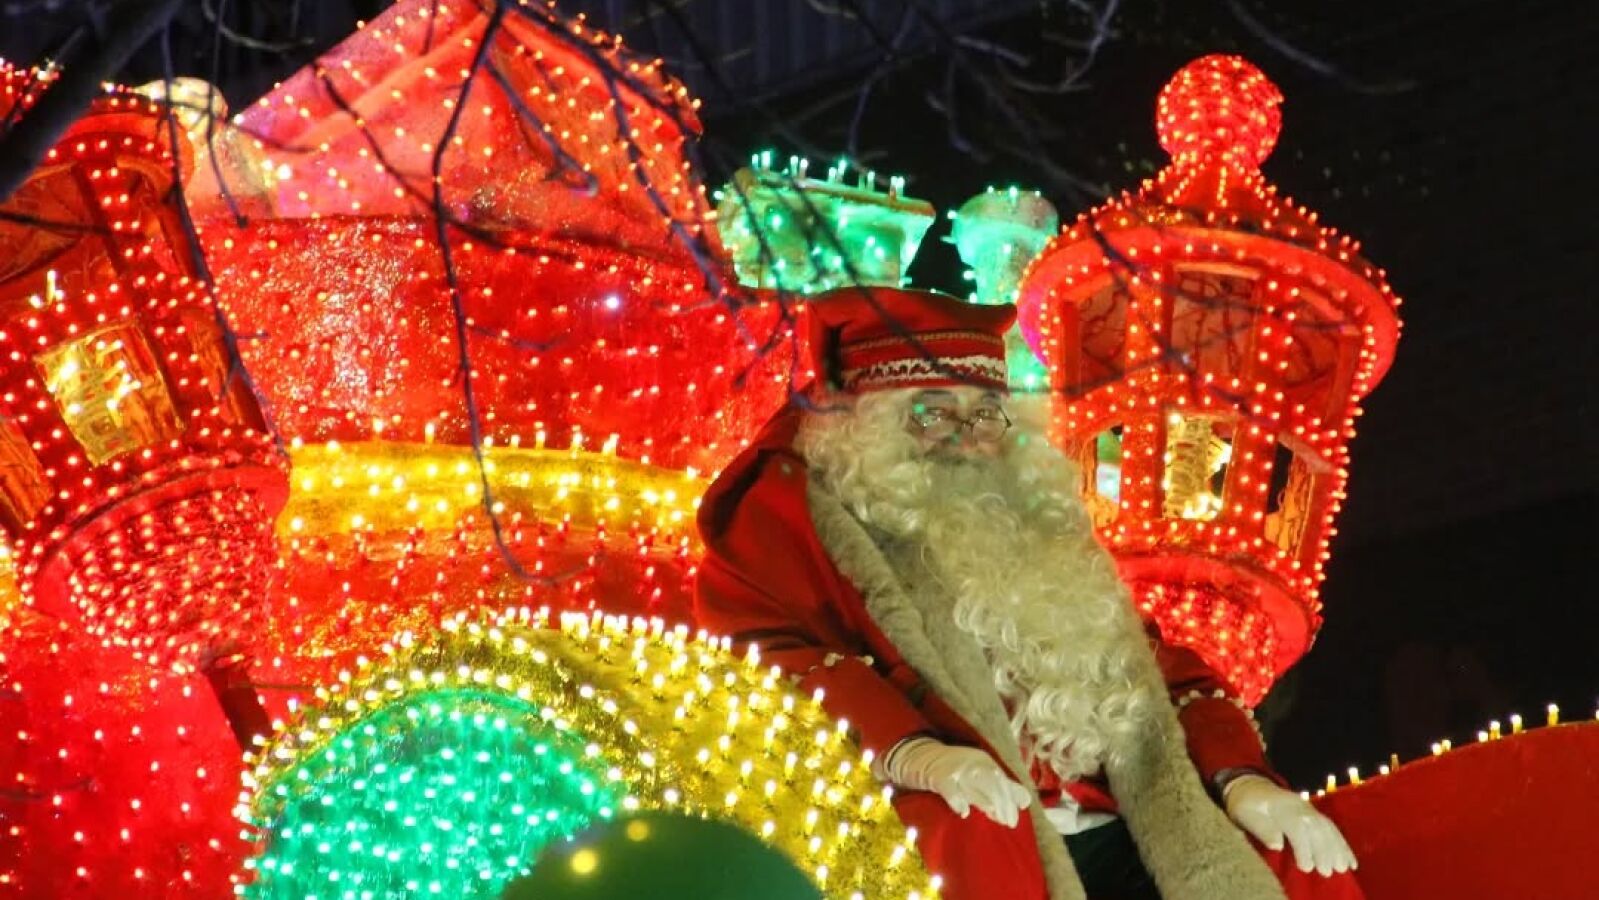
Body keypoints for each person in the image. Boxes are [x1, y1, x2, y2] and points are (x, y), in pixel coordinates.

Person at [694, 286, 1363, 900]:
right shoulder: (803, 524)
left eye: (987, 414)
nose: (967, 436)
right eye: (934, 412)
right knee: (975, 834)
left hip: (1119, 824)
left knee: (1286, 851)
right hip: (973, 817)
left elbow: (1170, 677)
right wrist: (911, 752)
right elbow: (767, 656)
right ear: (873, 426)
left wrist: (1242, 778)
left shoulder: (1038, 539)